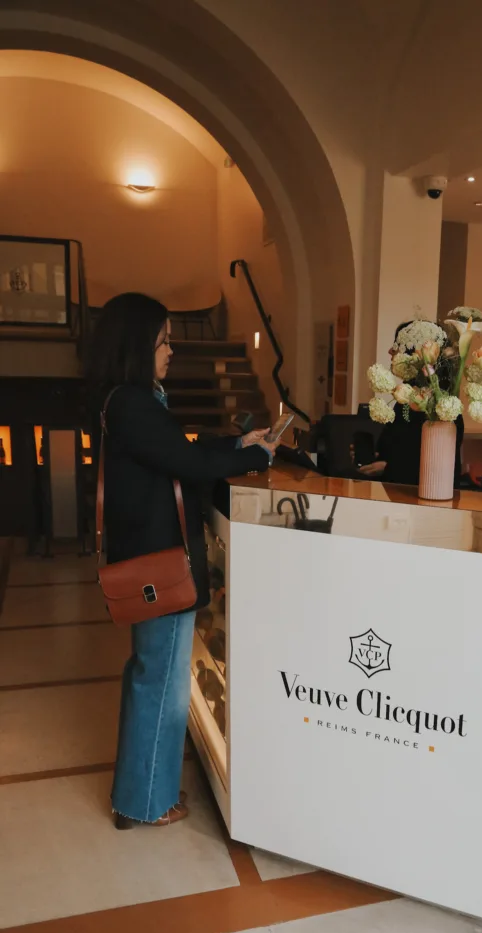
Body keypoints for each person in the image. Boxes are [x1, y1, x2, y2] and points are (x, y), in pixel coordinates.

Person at [87, 293, 277, 829]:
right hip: (159, 563)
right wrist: (253, 456)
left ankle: (137, 795)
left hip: (148, 557)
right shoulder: (132, 402)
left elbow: (177, 448)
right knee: (161, 685)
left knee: (150, 676)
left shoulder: (128, 400)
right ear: (137, 345)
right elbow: (186, 462)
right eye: (163, 340)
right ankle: (145, 802)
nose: (170, 350)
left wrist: (237, 440)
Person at [358, 322, 464, 486]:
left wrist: (387, 467)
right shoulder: (405, 398)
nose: (390, 351)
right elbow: (393, 447)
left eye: (396, 345)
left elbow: (430, 464)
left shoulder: (441, 405)